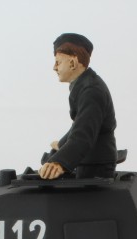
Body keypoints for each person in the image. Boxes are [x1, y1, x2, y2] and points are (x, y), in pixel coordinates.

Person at [39, 33, 118, 180]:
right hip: (89, 159)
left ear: (73, 63)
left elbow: (83, 133)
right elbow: (79, 124)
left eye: (58, 62)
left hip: (95, 165)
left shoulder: (91, 91)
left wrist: (60, 162)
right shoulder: (85, 85)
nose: (54, 68)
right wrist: (62, 144)